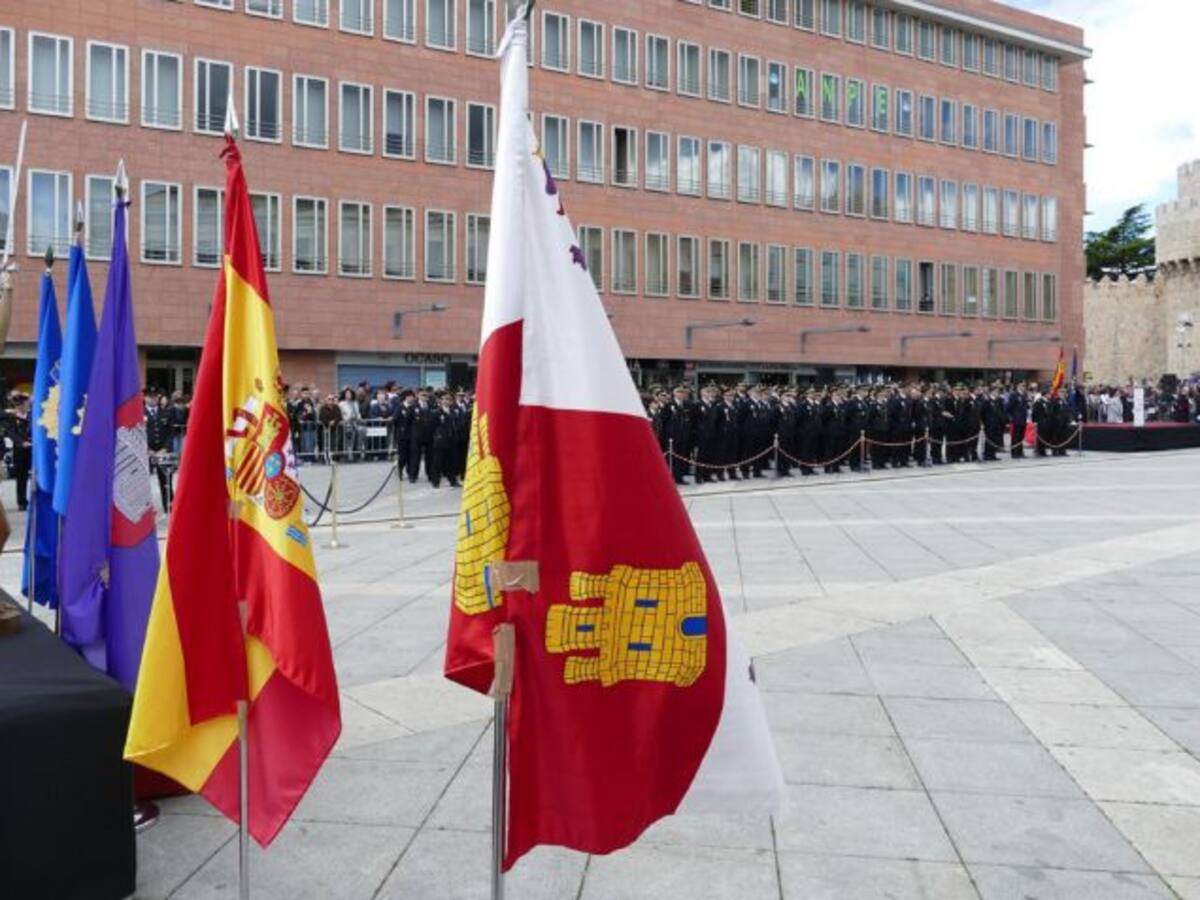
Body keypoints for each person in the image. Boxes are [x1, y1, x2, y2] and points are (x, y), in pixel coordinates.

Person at [5, 392, 31, 511]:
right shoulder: (11, 417)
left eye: (23, 404)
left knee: (39, 474)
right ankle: (22, 502)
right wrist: (21, 442)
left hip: (34, 449)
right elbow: (11, 433)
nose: (21, 407)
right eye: (18, 405)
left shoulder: (32, 415)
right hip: (20, 451)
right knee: (21, 477)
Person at [429, 392, 460, 488]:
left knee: (451, 462)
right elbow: (431, 427)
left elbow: (456, 425)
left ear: (451, 401)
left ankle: (453, 480)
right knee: (438, 462)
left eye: (448, 399)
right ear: (441, 401)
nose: (446, 401)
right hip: (440, 441)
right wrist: (436, 437)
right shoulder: (436, 413)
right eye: (444, 399)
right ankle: (435, 481)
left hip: (452, 440)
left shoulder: (453, 412)